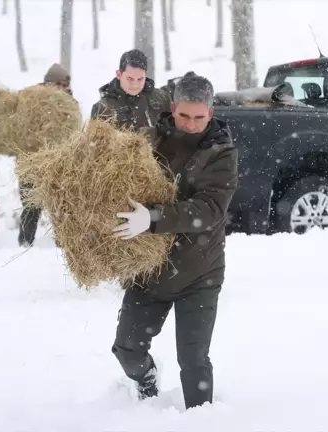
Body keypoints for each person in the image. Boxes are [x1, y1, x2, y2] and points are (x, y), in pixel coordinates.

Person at [110, 72, 239, 409]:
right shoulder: (151, 140)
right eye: (184, 115)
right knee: (127, 349)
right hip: (151, 270)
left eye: (199, 117)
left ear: (210, 113)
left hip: (200, 272)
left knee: (194, 361)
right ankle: (146, 380)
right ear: (172, 108)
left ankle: (202, 420)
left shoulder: (221, 152)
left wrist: (152, 218)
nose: (192, 124)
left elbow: (208, 209)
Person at [18, 63, 74, 247]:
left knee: (61, 208)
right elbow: (20, 131)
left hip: (59, 166)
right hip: (32, 165)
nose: (61, 89)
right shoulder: (32, 101)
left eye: (64, 86)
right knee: (31, 208)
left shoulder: (69, 106)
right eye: (57, 84)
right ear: (48, 83)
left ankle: (63, 246)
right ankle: (25, 246)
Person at [90, 49, 171, 131]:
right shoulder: (103, 109)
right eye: (130, 78)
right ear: (119, 74)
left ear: (146, 75)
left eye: (140, 79)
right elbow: (96, 142)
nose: (135, 84)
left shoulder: (162, 99)